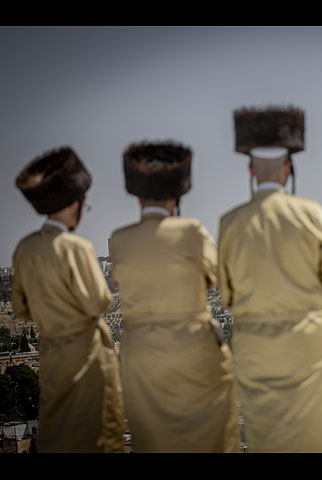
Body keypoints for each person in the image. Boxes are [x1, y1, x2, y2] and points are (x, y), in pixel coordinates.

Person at [217, 106, 322, 452]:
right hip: (307, 341)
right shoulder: (311, 213)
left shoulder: (230, 222)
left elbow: (226, 293)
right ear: (289, 168)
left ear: (250, 169)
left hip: (254, 343)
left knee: (264, 435)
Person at [109, 141, 240, 453]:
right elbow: (219, 278)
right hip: (192, 345)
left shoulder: (119, 240)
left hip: (140, 353)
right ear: (177, 195)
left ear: (137, 195)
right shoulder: (190, 230)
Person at [12, 146, 124, 453]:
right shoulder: (77, 248)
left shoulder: (24, 249)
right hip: (88, 357)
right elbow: (100, 301)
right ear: (75, 205)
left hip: (51, 357)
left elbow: (22, 309)